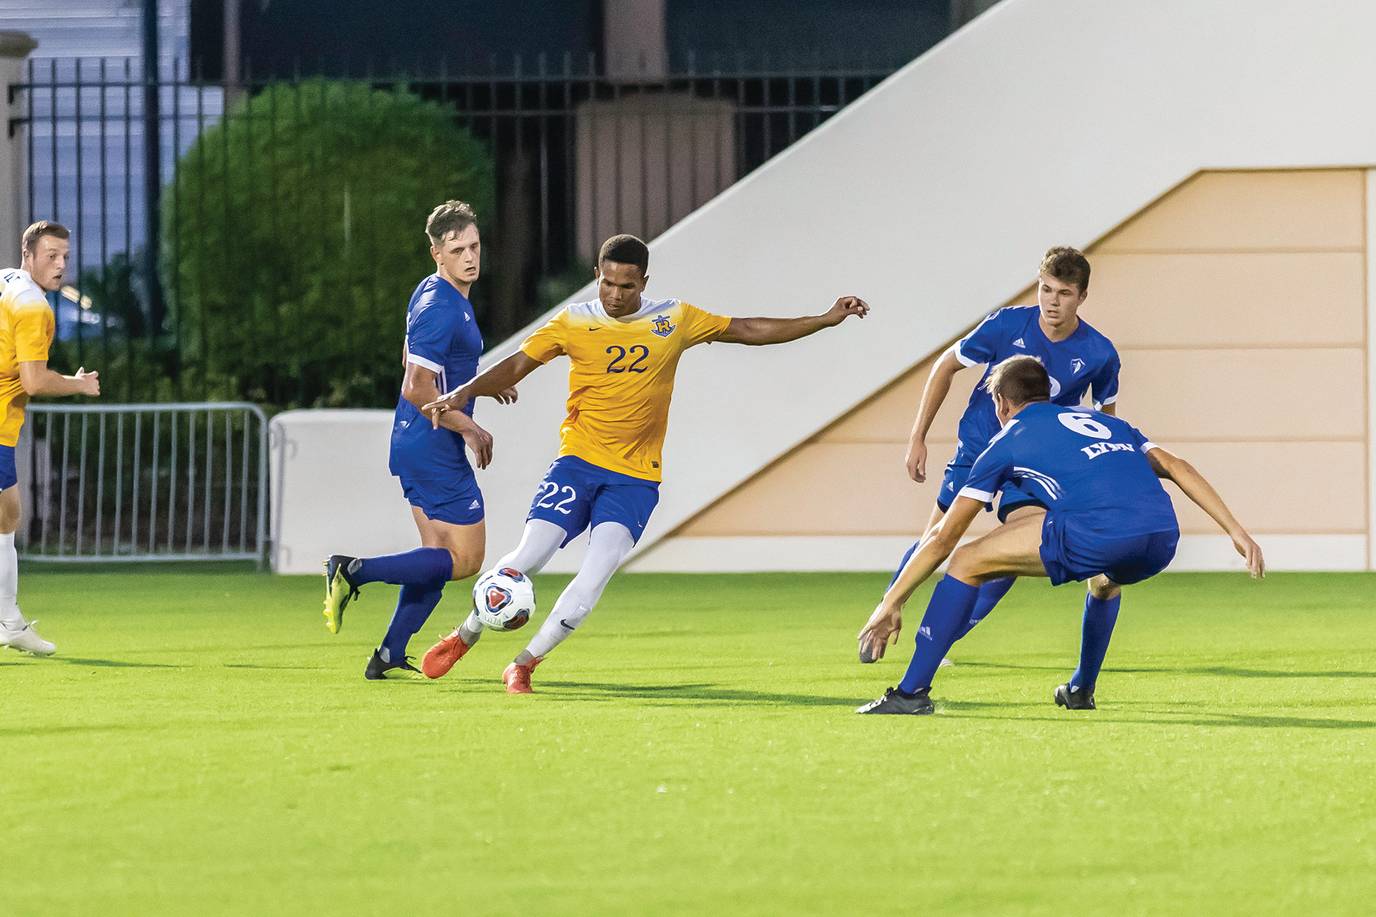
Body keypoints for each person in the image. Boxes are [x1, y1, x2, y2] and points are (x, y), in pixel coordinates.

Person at [419, 233, 869, 693]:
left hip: (634, 478)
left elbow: (748, 329)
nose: (615, 295)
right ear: (597, 274)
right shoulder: (573, 321)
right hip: (577, 462)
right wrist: (461, 393)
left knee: (595, 574)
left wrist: (824, 319)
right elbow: (517, 365)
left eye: (627, 286)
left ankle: (523, 664)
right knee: (526, 558)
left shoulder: (673, 318)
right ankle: (465, 635)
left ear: (644, 283)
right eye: (607, 283)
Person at [855, 355, 1263, 715]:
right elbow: (1176, 466)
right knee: (1104, 582)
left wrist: (892, 602)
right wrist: (1236, 531)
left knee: (966, 560)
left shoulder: (1007, 440)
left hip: (1100, 532)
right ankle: (1081, 689)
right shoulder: (1108, 422)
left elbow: (943, 538)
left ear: (1001, 403)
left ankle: (910, 693)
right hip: (1162, 535)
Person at [860, 246, 1120, 664]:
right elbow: (945, 366)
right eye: (1045, 289)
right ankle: (884, 616)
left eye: (1064, 293)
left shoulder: (1099, 353)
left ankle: (942, 637)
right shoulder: (1006, 325)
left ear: (1082, 297)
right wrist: (918, 436)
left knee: (1010, 557)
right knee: (936, 537)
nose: (1052, 301)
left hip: (1034, 462)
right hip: (980, 448)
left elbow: (1106, 418)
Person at [321, 201, 515, 680]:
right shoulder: (440, 308)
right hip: (432, 445)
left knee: (434, 557)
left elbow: (426, 366)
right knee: (465, 560)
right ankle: (353, 571)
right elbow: (415, 386)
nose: (470, 257)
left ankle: (389, 652)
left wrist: (480, 386)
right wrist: (468, 426)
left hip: (418, 439)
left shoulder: (435, 291)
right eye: (457, 249)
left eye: (474, 246)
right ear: (437, 253)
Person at [0, 221, 101, 657]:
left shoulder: (7, 279)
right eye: (51, 256)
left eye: (65, 257)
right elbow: (35, 381)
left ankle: (9, 622)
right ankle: (9, 621)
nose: (61, 265)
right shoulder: (33, 308)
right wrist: (79, 385)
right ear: (28, 255)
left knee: (8, 516)